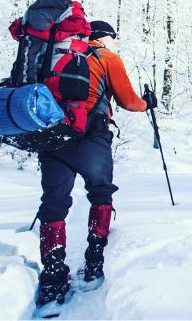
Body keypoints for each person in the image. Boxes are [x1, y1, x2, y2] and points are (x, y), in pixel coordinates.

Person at [36, 20, 158, 308]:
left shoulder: (55, 54)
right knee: (101, 192)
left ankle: (52, 278)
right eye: (114, 38)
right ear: (104, 37)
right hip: (91, 133)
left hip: (52, 135)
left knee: (54, 203)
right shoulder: (107, 57)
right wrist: (148, 103)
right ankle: (94, 262)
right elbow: (128, 101)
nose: (115, 43)